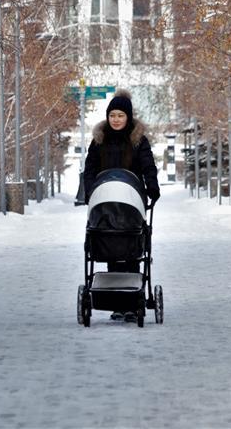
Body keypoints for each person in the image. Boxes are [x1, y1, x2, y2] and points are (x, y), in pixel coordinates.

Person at [83, 89, 160, 322]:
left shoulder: (138, 141)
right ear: (108, 116)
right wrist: (90, 192)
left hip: (131, 201)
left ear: (128, 117)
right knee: (110, 247)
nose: (116, 119)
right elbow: (90, 169)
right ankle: (116, 302)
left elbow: (148, 166)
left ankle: (131, 300)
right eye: (112, 115)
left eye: (120, 115)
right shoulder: (99, 140)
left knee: (131, 249)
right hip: (105, 203)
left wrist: (152, 187)